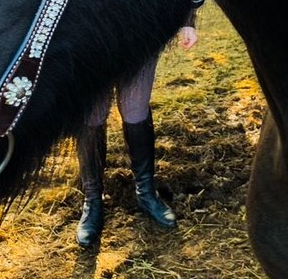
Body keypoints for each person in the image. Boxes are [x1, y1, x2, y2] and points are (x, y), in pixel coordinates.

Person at [75, 19, 199, 248]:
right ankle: (92, 200)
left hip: (140, 29)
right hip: (90, 33)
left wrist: (186, 20)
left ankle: (146, 192)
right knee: (92, 115)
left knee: (135, 110)